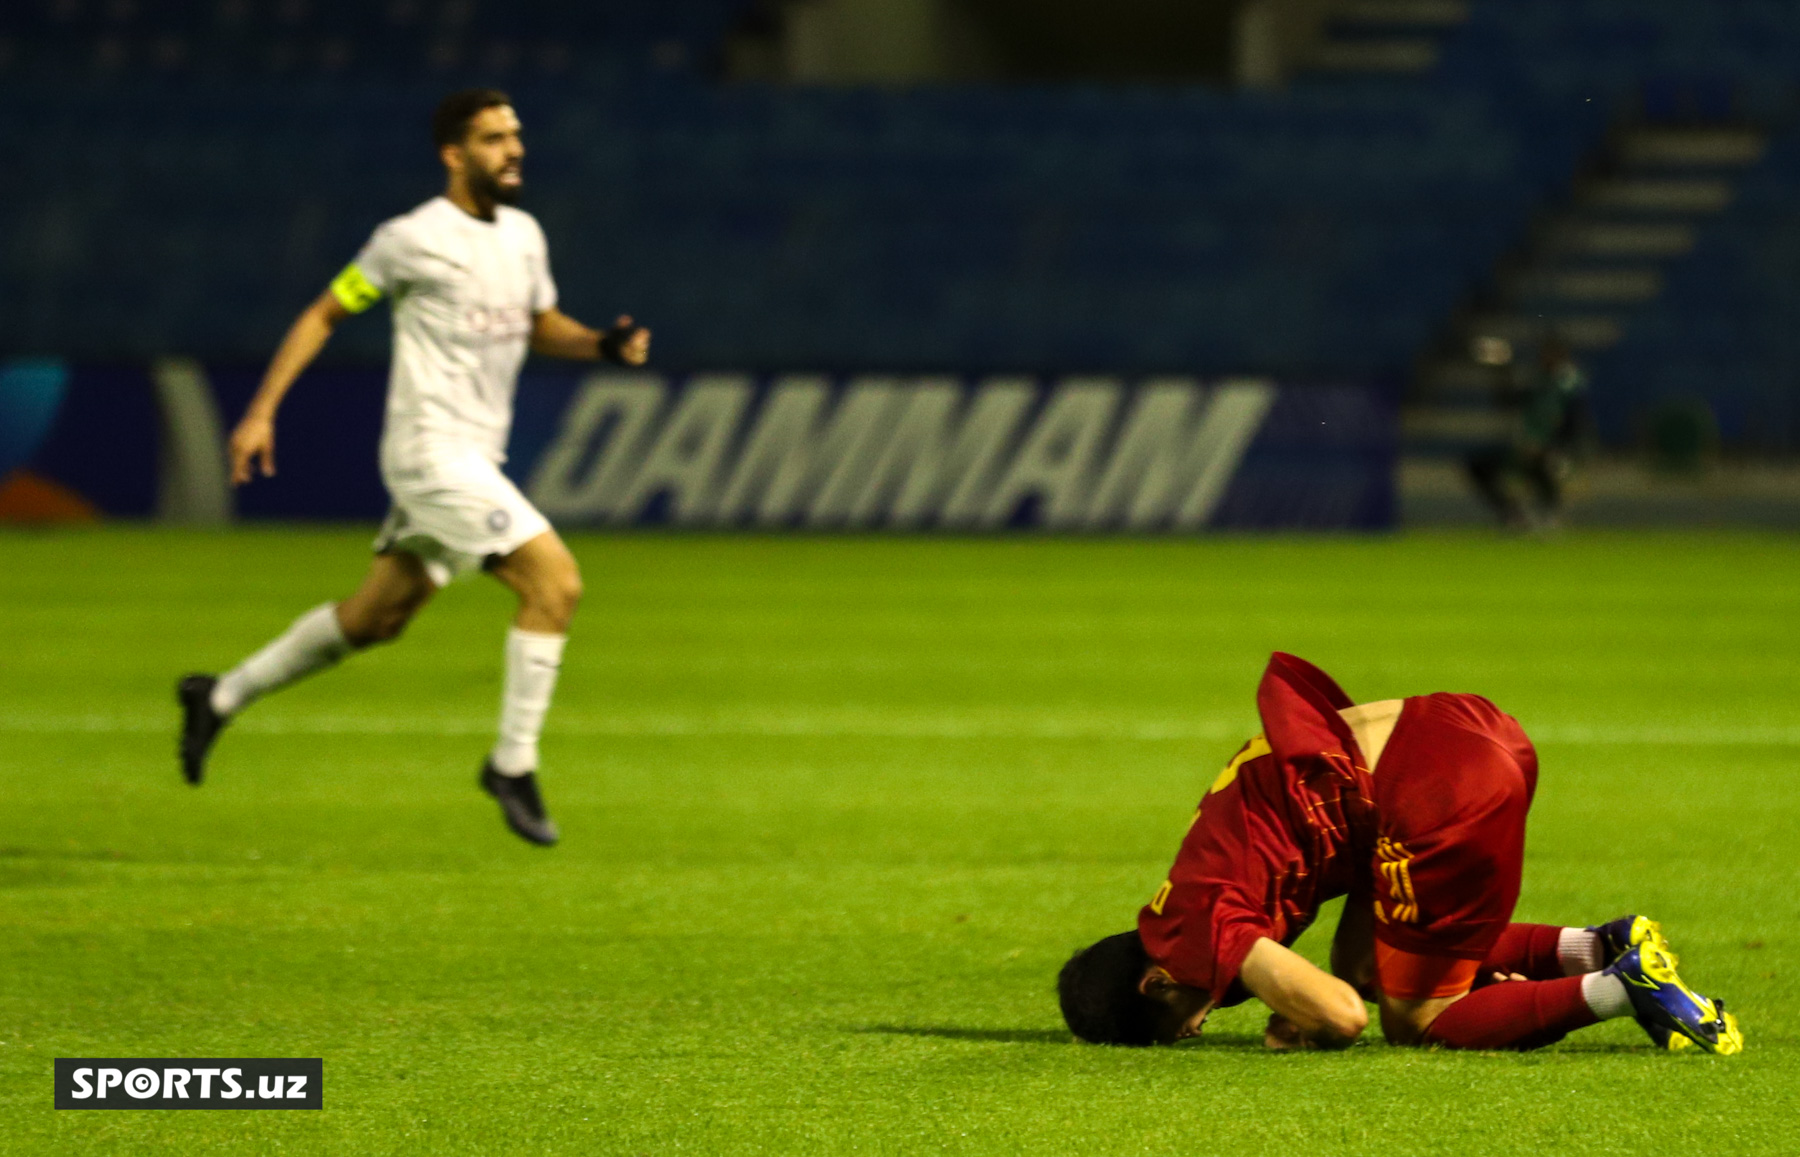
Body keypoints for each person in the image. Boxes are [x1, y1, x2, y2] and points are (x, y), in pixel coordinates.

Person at [176, 89, 651, 846]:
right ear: (454, 155)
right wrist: (263, 409)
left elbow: (537, 325)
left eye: (516, 135)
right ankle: (512, 764)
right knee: (554, 583)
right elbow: (326, 312)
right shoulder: (410, 240)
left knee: (375, 618)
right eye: (495, 138)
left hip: (474, 456)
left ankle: (220, 696)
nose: (514, 149)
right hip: (431, 454)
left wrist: (599, 343)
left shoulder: (525, 236)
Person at [1058, 653, 1743, 1053]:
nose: (1199, 1028)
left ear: (1154, 982)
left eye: (1181, 1028)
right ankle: (1595, 946)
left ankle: (1623, 987)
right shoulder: (1184, 892)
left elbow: (1343, 1017)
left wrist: (1308, 1025)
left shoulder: (1198, 932)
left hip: (1434, 791)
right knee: (1362, 963)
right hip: (1459, 727)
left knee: (1413, 1018)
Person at [1467, 339, 1592, 530]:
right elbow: (1509, 401)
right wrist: (1501, 370)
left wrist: (1552, 447)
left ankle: (1549, 514)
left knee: (1546, 464)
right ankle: (1514, 513)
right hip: (1528, 448)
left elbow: (1575, 424)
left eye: (1549, 355)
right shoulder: (1540, 383)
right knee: (1480, 466)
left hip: (1561, 452)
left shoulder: (1570, 385)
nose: (1544, 359)